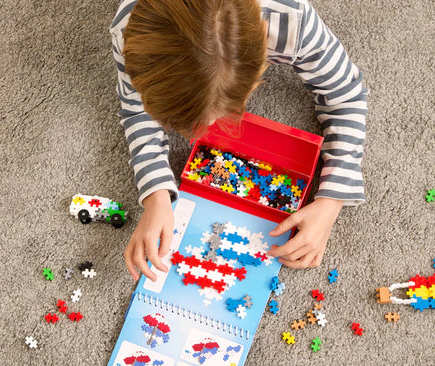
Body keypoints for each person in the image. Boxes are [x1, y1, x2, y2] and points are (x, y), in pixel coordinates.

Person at [109, 0, 368, 282]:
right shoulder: (129, 31)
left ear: (261, 66)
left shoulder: (292, 20)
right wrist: (155, 194)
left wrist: (331, 202)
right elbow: (135, 108)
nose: (206, 127)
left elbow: (347, 94)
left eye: (222, 112)